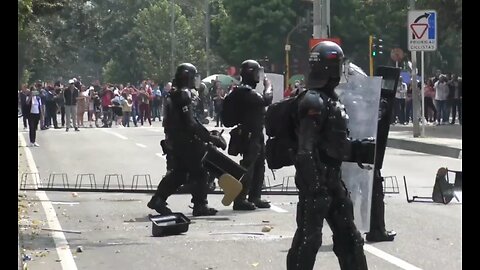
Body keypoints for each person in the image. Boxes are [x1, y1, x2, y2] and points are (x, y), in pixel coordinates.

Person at [285, 41, 368, 270]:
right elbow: (305, 150)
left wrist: (358, 149)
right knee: (308, 240)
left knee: (350, 238)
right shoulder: (313, 100)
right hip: (316, 183)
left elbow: (333, 145)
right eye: (337, 64)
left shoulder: (330, 99)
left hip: (332, 180)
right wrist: (315, 186)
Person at [147, 63, 226, 216]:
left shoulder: (175, 93)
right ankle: (200, 205)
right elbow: (190, 122)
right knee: (200, 172)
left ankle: (158, 199)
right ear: (187, 77)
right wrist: (209, 137)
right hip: (187, 141)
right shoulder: (184, 94)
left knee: (180, 173)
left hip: (176, 140)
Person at [221, 59, 272, 210]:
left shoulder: (245, 90)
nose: (258, 76)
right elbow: (266, 100)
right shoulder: (245, 91)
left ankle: (255, 196)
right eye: (256, 72)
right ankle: (240, 198)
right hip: (249, 134)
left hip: (256, 133)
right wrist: (269, 86)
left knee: (259, 165)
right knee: (248, 166)